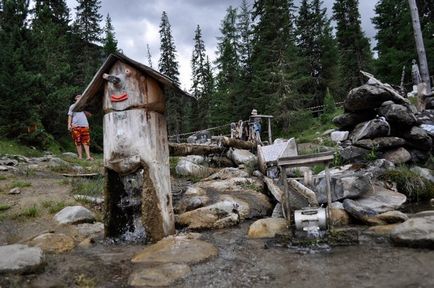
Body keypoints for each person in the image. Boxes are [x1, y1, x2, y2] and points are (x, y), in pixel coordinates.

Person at [67, 95, 93, 160]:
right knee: (77, 142)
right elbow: (70, 116)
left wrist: (87, 112)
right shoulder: (72, 106)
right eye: (78, 97)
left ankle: (88, 156)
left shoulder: (84, 106)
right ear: (75, 99)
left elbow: (90, 115)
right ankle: (80, 157)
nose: (79, 98)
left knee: (86, 141)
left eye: (81, 97)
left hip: (85, 125)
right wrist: (69, 125)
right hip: (75, 126)